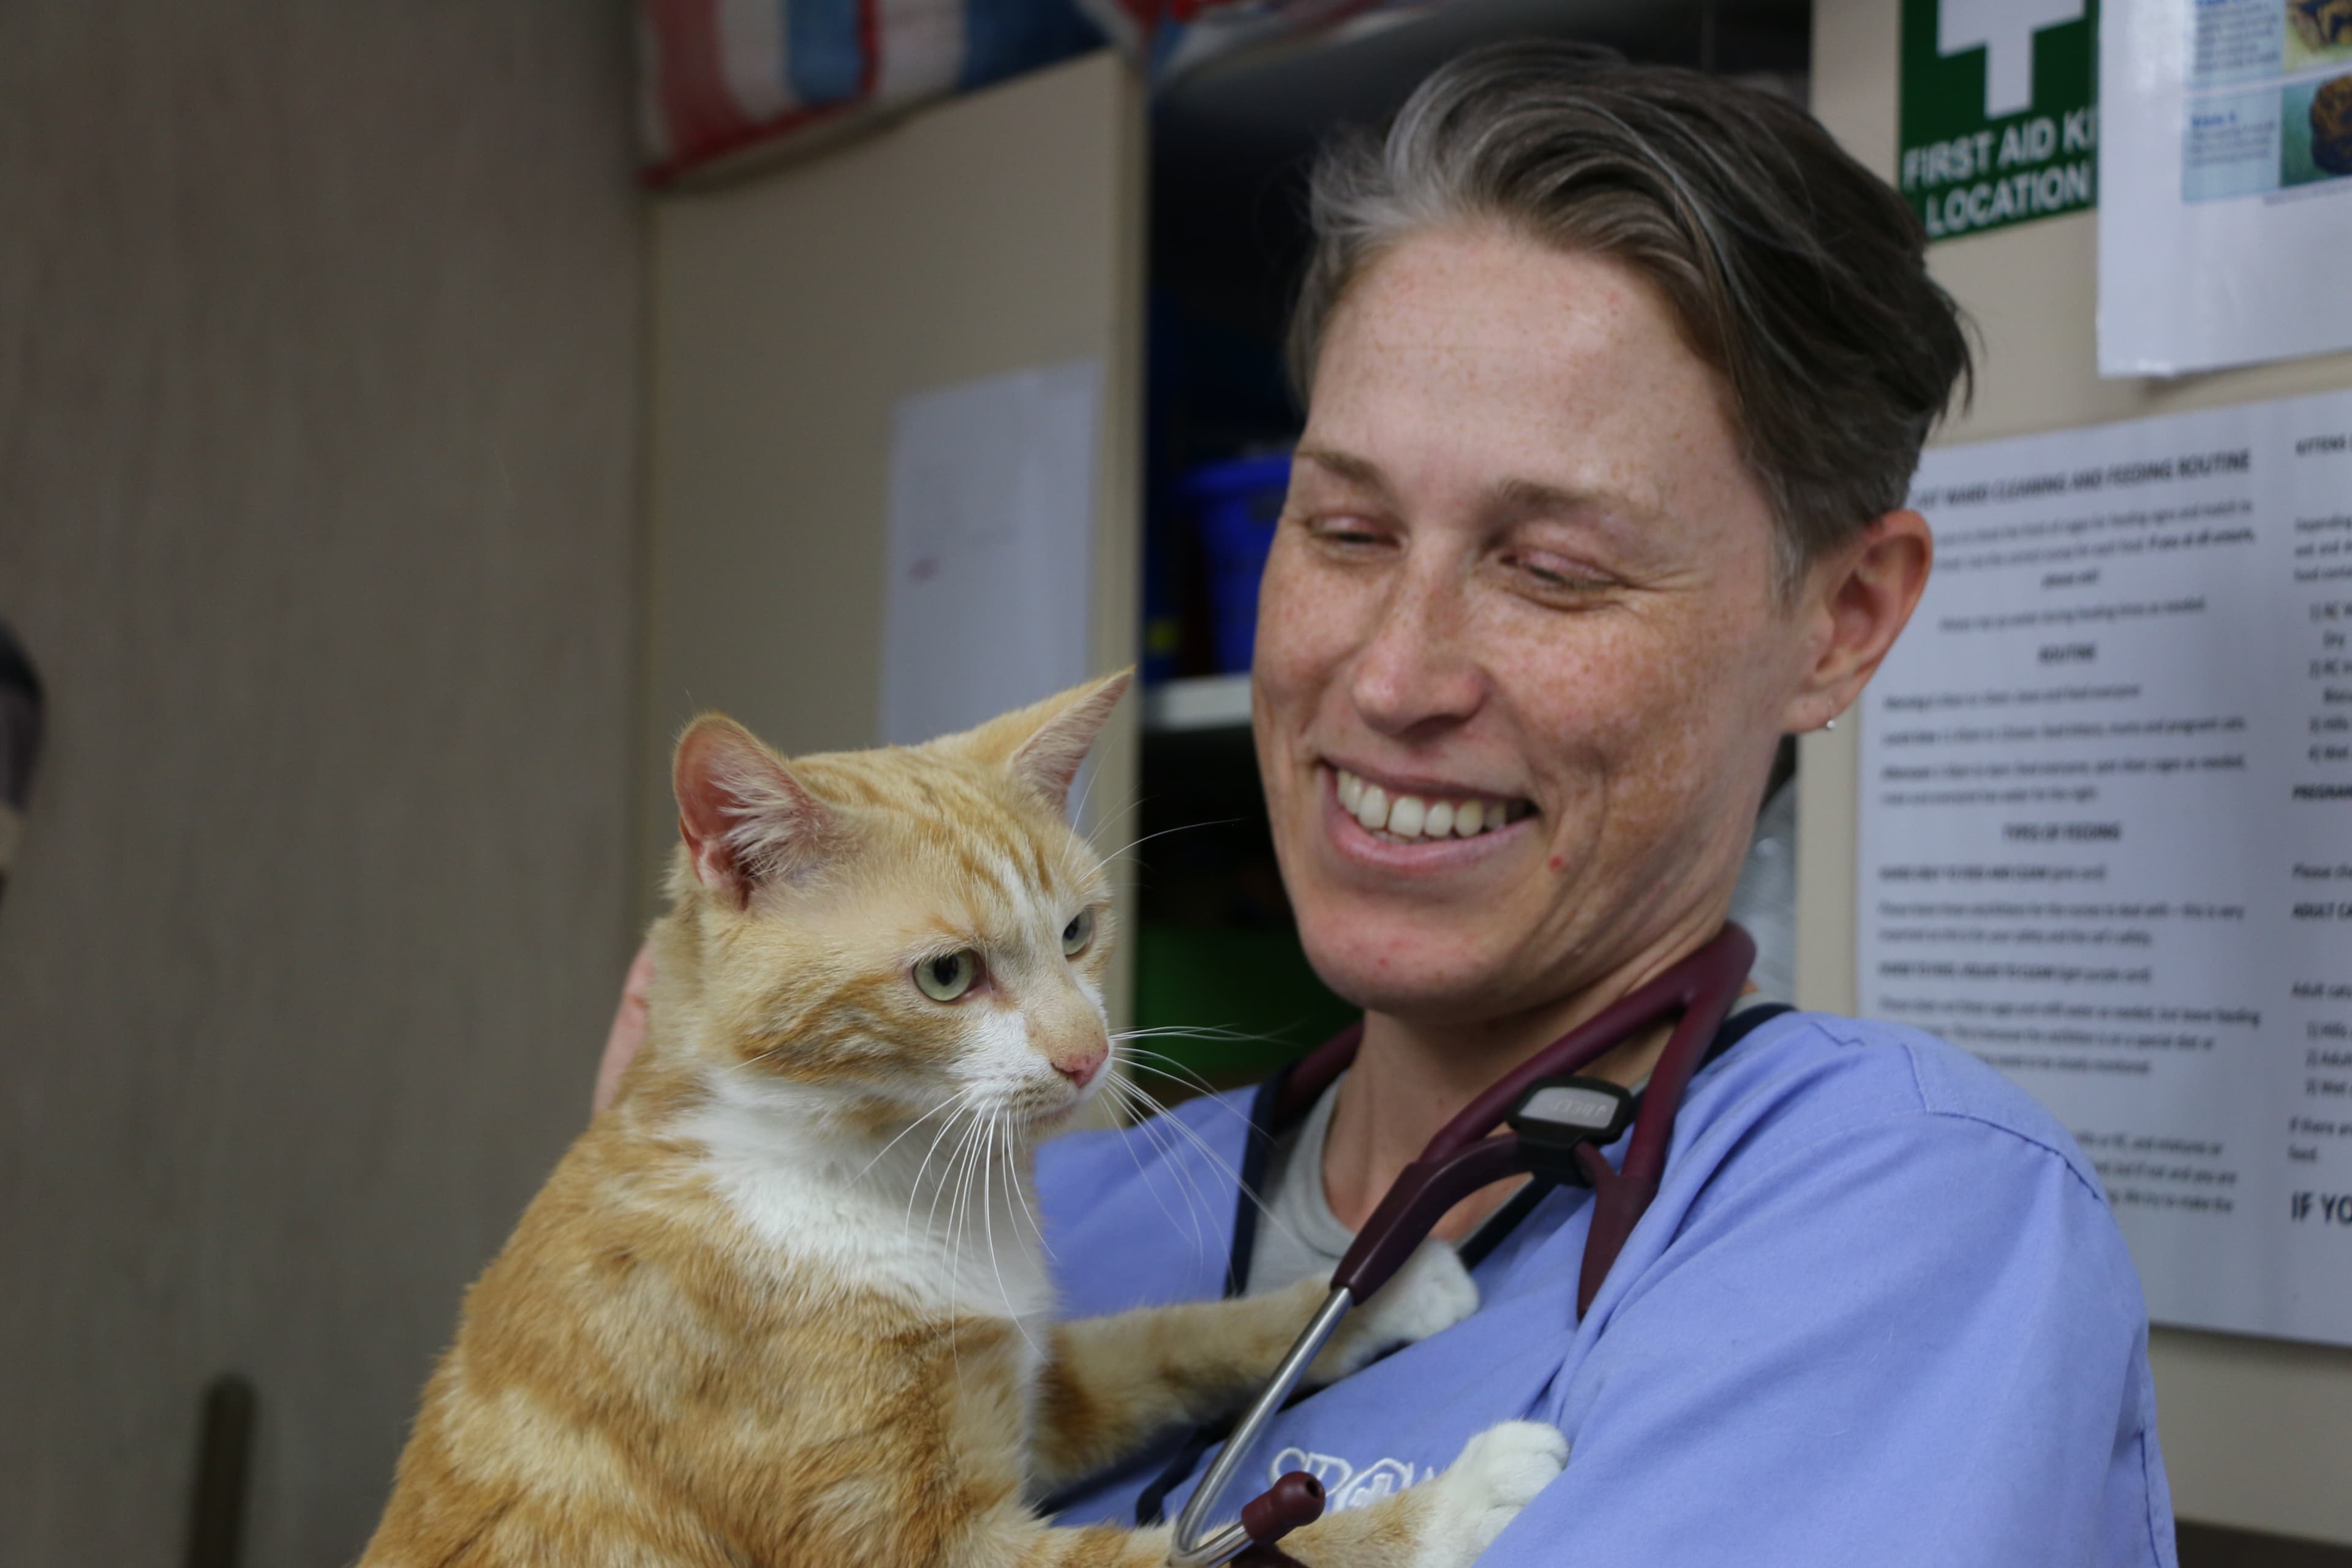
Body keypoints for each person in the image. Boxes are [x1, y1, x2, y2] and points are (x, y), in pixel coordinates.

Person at [603, 44, 2176, 1567]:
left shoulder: (1901, 1216)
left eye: (1553, 568)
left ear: (1840, 620)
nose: (1394, 674)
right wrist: (672, 1351)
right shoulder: (1050, 1202)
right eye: (1345, 531)